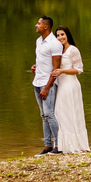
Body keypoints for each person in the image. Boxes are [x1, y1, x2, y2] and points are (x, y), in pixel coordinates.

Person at [50, 26, 90, 153]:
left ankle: (74, 144)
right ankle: (61, 144)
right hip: (61, 85)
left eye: (62, 34)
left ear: (67, 35)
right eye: (57, 35)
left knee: (71, 112)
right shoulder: (59, 50)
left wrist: (62, 71)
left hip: (70, 85)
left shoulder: (73, 50)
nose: (60, 37)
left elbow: (78, 69)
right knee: (60, 113)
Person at [31, 15, 63, 155]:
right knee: (43, 115)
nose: (36, 25)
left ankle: (59, 145)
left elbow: (55, 69)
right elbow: (43, 61)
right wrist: (36, 67)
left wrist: (47, 87)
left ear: (46, 26)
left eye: (38, 23)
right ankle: (48, 146)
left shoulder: (55, 43)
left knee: (49, 114)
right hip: (37, 81)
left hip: (47, 83)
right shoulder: (39, 41)